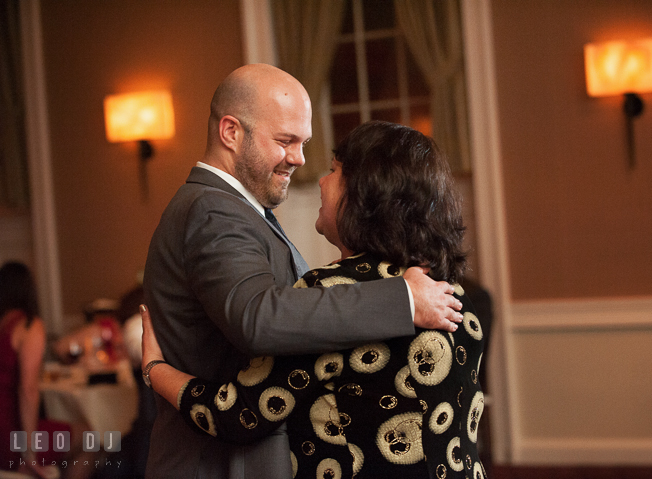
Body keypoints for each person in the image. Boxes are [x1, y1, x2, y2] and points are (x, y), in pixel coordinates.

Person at [143, 65, 463, 478]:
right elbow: (257, 318)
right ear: (230, 132)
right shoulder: (213, 209)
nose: (299, 158)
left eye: (304, 142)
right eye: (285, 141)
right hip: (219, 461)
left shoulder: (235, 210)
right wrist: (402, 298)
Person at [0, 263, 67, 478]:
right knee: (90, 436)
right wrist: (29, 453)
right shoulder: (28, 325)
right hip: (11, 432)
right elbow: (27, 390)